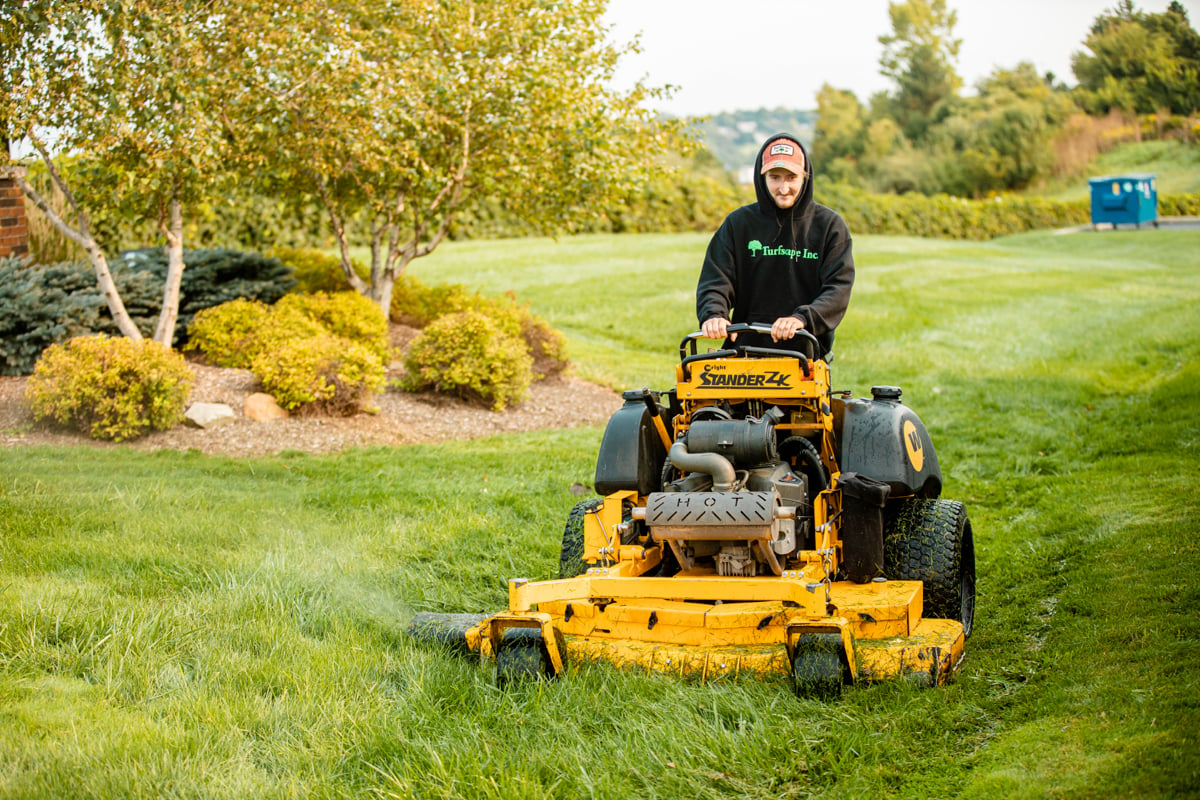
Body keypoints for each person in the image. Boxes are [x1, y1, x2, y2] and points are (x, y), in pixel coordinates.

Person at [696, 133, 854, 358]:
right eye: (775, 177)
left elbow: (838, 289)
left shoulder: (829, 226)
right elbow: (717, 279)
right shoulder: (738, 224)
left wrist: (801, 319)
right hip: (745, 350)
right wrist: (714, 314)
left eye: (791, 177)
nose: (783, 187)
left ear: (805, 177)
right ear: (763, 178)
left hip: (806, 351)